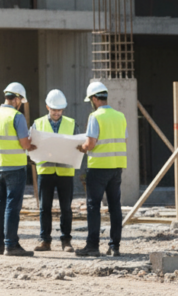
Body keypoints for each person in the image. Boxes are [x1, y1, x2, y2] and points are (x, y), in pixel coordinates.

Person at [0, 82, 37, 257]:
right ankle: (11, 245)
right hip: (15, 167)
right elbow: (24, 144)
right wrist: (33, 144)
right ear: (17, 99)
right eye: (21, 100)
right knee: (12, 206)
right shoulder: (17, 117)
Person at [75, 81, 127, 257]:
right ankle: (115, 246)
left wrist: (81, 147)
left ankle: (92, 246)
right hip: (116, 167)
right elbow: (123, 141)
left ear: (95, 99)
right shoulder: (120, 116)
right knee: (115, 207)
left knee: (93, 206)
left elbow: (90, 144)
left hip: (98, 168)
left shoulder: (95, 117)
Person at [31, 89, 75, 253]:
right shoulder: (38, 123)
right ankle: (45, 241)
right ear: (47, 107)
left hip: (65, 172)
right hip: (45, 171)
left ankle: (66, 241)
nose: (57, 113)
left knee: (66, 208)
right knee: (44, 208)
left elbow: (77, 146)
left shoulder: (71, 123)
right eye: (54, 109)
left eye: (59, 110)